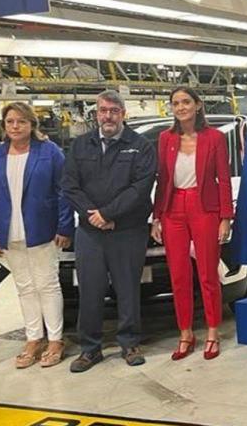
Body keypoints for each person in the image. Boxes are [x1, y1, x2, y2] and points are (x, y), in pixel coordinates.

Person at [62, 90, 157, 372]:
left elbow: (141, 188)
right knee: (89, 290)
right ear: (96, 114)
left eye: (114, 110)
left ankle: (129, 343)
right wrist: (94, 216)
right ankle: (90, 349)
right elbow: (70, 185)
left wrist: (109, 214)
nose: (108, 115)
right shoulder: (80, 146)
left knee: (128, 288)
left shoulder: (141, 146)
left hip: (127, 230)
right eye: (103, 110)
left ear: (123, 114)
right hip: (90, 232)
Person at [0, 102, 73, 369]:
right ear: (4, 126)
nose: (15, 126)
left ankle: (55, 339)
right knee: (24, 287)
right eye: (10, 122)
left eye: (21, 121)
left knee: (47, 284)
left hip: (42, 228)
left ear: (32, 124)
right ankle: (34, 338)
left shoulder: (50, 152)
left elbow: (64, 191)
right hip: (9, 231)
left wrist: (64, 226)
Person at [151, 86, 234, 361]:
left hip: (204, 208)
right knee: (179, 274)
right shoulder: (166, 138)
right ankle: (185, 332)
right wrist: (157, 217)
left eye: (186, 101)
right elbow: (162, 180)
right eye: (175, 103)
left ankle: (212, 330)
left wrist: (225, 217)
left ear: (197, 105)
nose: (181, 107)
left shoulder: (215, 138)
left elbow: (223, 178)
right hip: (173, 209)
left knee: (208, 273)